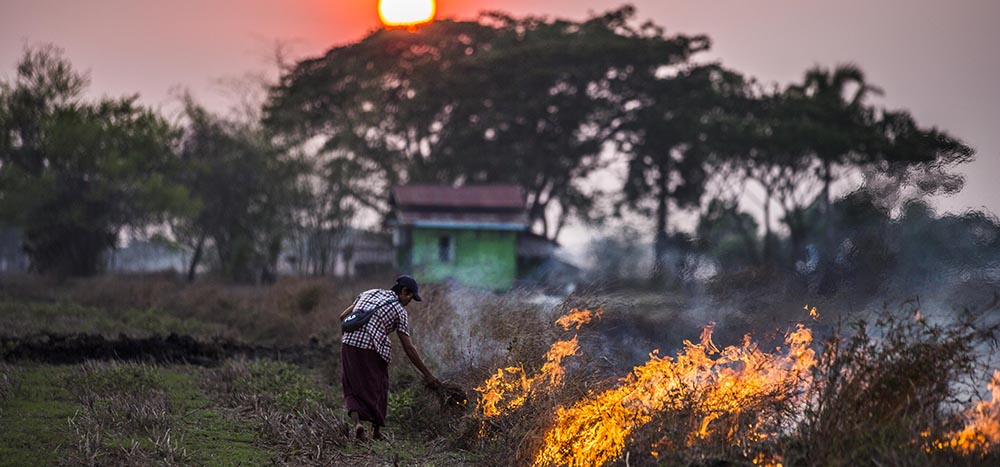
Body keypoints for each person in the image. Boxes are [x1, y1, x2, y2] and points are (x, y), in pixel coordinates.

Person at [338, 274, 440, 441]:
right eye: (410, 298)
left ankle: (358, 425)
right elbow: (408, 347)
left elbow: (343, 317)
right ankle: (376, 431)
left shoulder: (369, 292)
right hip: (371, 350)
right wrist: (427, 375)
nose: (409, 302)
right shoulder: (400, 311)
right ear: (404, 291)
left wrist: (346, 342)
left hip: (349, 344)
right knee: (379, 385)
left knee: (351, 386)